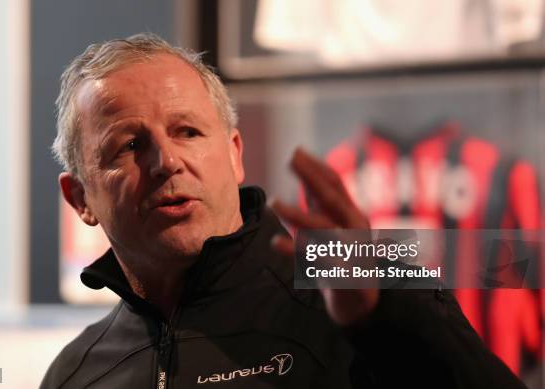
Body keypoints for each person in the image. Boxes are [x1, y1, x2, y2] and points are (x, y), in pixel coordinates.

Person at [41, 33, 527, 388]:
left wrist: (386, 319)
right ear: (81, 198)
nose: (167, 161)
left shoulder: (367, 302)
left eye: (187, 131)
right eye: (129, 145)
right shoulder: (74, 373)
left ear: (234, 154)